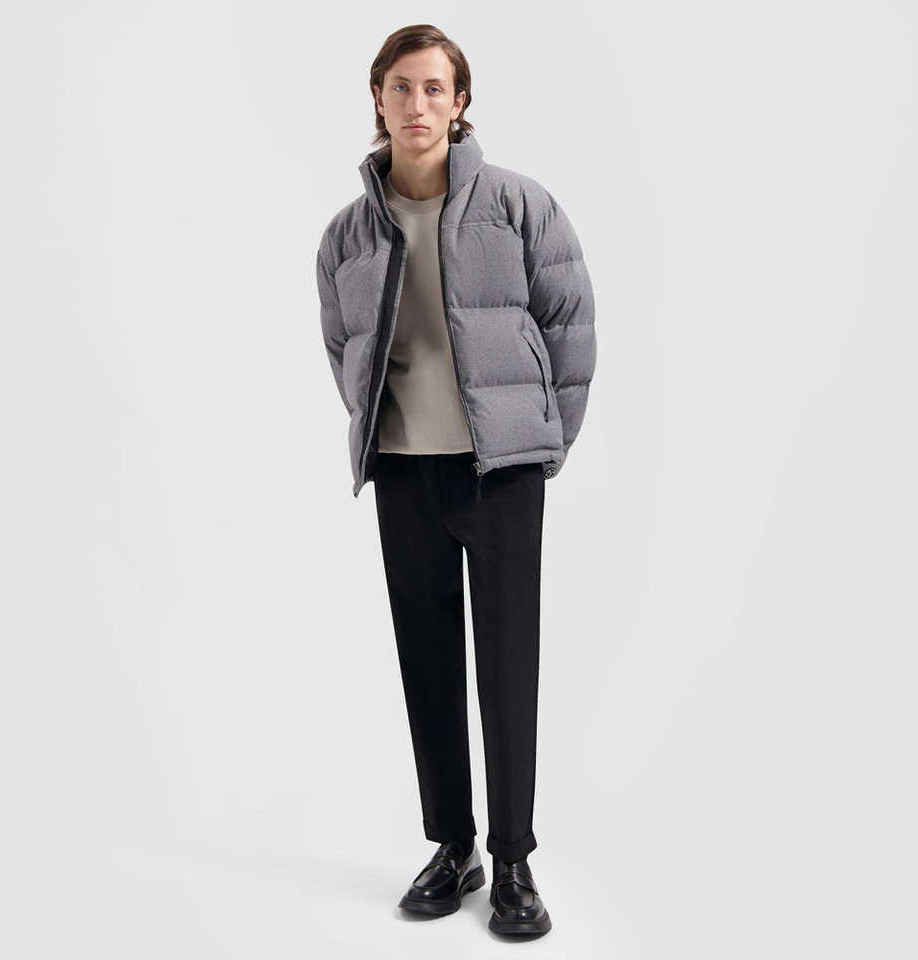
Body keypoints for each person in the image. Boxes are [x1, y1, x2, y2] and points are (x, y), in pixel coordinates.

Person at [316, 24, 596, 938]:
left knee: (508, 666)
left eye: (435, 88)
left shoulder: (518, 204)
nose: (417, 104)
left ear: (460, 102)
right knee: (427, 666)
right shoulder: (347, 234)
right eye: (401, 87)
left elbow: (570, 322)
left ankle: (512, 860)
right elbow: (342, 345)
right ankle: (454, 846)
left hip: (501, 473)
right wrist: (384, 430)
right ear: (379, 99)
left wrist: (544, 440)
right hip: (404, 473)